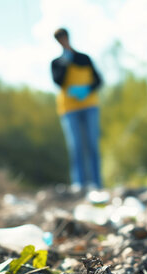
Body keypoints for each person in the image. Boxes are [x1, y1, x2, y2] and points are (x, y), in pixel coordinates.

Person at [51, 28, 104, 198]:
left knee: (92, 145)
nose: (63, 40)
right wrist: (66, 62)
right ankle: (79, 184)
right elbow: (58, 81)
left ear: (68, 37)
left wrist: (87, 89)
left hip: (89, 105)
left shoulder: (84, 58)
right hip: (69, 109)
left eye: (64, 37)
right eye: (59, 39)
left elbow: (98, 80)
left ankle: (97, 184)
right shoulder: (57, 63)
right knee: (76, 147)